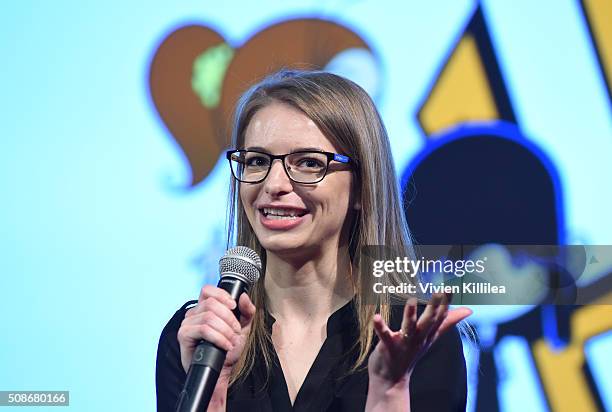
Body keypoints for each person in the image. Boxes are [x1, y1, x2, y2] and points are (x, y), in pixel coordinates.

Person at [156, 69, 472, 411]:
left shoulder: (414, 341)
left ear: (362, 188)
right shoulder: (201, 336)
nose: (274, 184)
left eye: (308, 162)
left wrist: (390, 392)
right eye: (258, 161)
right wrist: (214, 392)